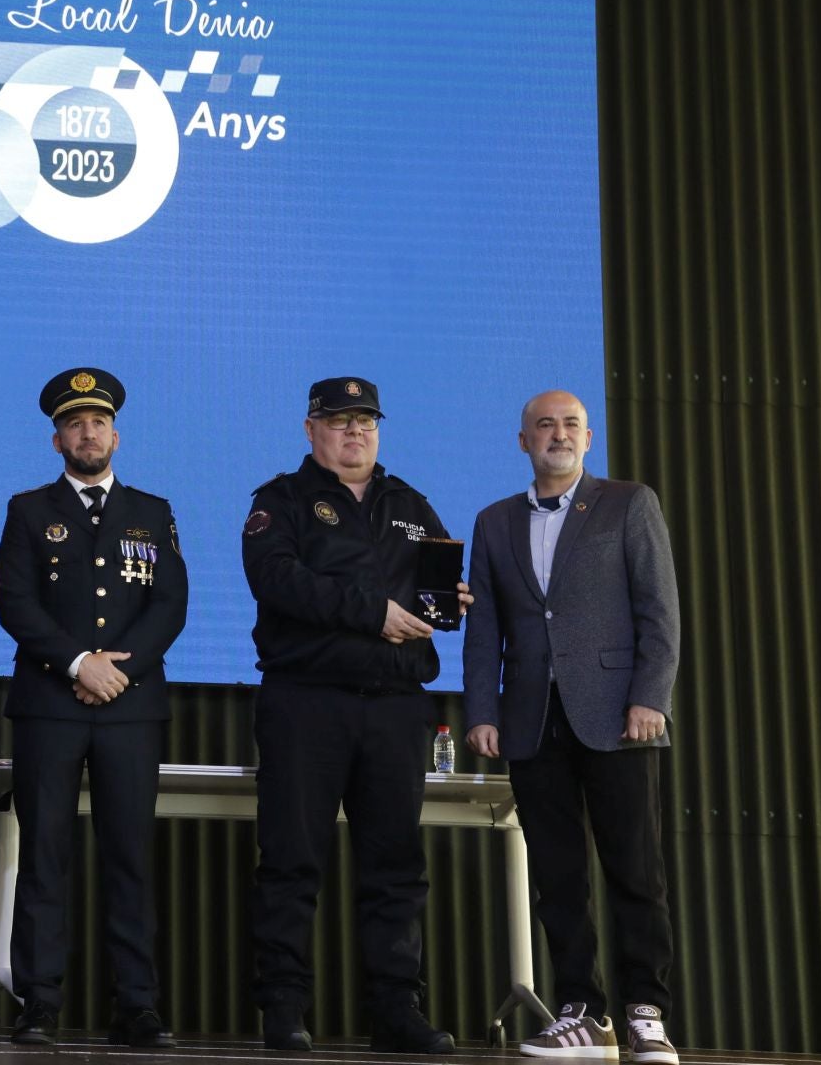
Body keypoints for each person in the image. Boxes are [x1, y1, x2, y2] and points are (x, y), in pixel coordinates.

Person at [240, 377, 466, 1055]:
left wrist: (448, 602)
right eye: (338, 421)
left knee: (395, 866)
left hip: (396, 709)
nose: (355, 432)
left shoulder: (411, 505)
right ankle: (282, 1009)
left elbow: (432, 596)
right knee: (290, 861)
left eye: (365, 420)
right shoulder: (280, 501)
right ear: (311, 430)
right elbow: (276, 580)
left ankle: (397, 1013)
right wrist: (373, 613)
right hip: (306, 703)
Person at [462, 390, 680, 1065]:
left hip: (619, 715)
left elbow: (660, 610)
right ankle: (583, 1014)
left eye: (570, 425)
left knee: (634, 870)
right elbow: (485, 628)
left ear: (590, 439)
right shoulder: (494, 521)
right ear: (521, 440)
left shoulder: (629, 502)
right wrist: (482, 712)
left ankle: (647, 1014)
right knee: (557, 876)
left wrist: (651, 697)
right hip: (529, 720)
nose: (558, 434)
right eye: (544, 425)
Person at [0, 368, 188, 1050]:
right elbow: (16, 603)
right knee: (43, 855)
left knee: (129, 857)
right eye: (75, 424)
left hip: (130, 709)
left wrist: (116, 674)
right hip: (51, 702)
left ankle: (137, 1004)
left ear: (116, 434)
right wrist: (80, 665)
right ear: (57, 440)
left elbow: (169, 605)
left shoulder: (152, 510)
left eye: (98, 423)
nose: (88, 433)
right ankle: (39, 1001)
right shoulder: (27, 510)